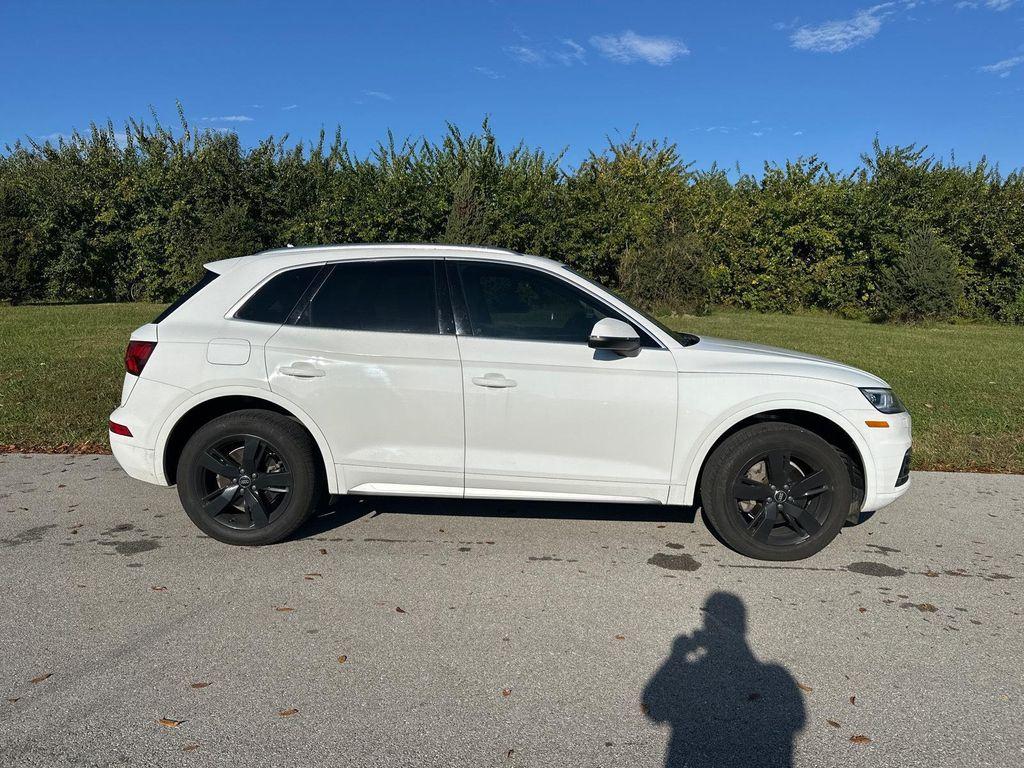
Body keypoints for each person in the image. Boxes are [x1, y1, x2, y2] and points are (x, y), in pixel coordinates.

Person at [642, 592, 806, 768]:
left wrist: (676, 656)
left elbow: (655, 711)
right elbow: (797, 721)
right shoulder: (777, 676)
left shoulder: (694, 672)